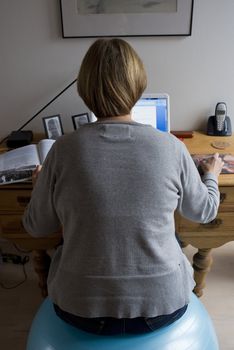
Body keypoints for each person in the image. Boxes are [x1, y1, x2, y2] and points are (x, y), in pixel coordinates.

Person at [22, 38, 224, 335]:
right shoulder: (170, 147)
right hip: (163, 306)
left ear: (85, 88)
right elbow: (204, 212)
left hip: (80, 310)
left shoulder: (63, 150)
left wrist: (41, 188)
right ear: (138, 84)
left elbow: (37, 228)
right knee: (176, 241)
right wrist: (212, 175)